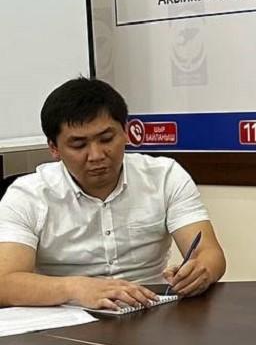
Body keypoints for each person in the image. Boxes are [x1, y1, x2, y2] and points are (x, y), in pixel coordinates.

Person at [0, 77, 226, 310]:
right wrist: (75, 288)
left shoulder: (165, 176)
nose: (96, 155)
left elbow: (209, 253)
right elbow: (5, 283)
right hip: (67, 315)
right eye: (79, 145)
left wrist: (201, 270)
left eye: (107, 139)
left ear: (125, 132)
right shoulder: (27, 195)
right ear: (54, 148)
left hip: (150, 308)